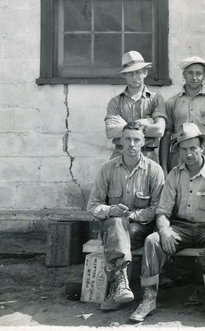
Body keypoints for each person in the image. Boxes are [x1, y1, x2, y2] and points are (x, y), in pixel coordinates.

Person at [130, 123, 205, 323]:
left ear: (202, 147)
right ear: (178, 151)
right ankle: (149, 298)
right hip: (180, 228)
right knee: (152, 240)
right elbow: (163, 211)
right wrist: (165, 230)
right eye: (184, 149)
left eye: (193, 148)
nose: (189, 153)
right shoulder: (174, 174)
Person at [85, 122, 165, 312]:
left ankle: (118, 288)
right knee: (116, 223)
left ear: (143, 143)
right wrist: (111, 210)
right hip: (111, 229)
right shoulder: (108, 169)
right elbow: (93, 206)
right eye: (127, 139)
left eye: (136, 140)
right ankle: (121, 285)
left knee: (121, 225)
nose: (131, 144)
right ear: (120, 140)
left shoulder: (154, 171)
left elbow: (158, 208)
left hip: (140, 229)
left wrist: (131, 215)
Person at [162, 56, 205, 171]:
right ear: (183, 74)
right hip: (179, 156)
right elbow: (166, 136)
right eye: (190, 73)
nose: (194, 77)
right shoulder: (172, 102)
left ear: (204, 76)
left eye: (198, 73)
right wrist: (163, 168)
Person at [105, 51, 167, 163]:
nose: (134, 77)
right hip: (120, 154)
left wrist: (124, 126)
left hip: (147, 155)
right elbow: (110, 131)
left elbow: (159, 130)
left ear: (145, 72)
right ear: (124, 75)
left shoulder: (155, 99)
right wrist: (143, 123)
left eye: (138, 72)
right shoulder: (115, 102)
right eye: (130, 73)